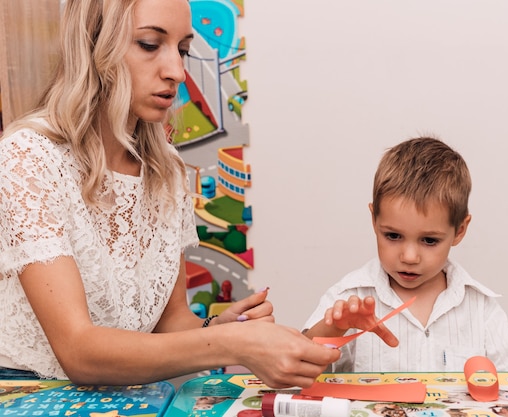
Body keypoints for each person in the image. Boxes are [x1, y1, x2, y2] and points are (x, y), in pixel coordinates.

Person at [0, 0, 339, 387]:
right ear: (94, 46)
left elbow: (170, 320)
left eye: (182, 50)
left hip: (130, 396)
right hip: (28, 391)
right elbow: (79, 352)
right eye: (149, 44)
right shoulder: (28, 157)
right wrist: (231, 343)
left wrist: (216, 328)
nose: (177, 72)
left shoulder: (167, 170)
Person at [303, 137, 508, 383]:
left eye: (429, 240)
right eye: (392, 236)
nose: (409, 256)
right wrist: (335, 328)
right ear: (373, 219)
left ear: (459, 230)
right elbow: (298, 366)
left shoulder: (479, 308)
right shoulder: (349, 298)